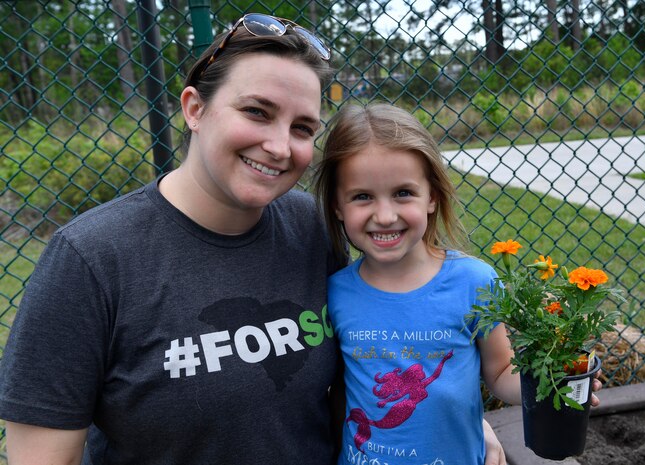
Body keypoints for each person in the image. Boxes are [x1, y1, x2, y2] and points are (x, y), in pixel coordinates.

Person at [0, 13, 508, 465]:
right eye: (257, 112)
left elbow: (375, 349)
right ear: (194, 108)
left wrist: (455, 424)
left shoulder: (312, 228)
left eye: (303, 127)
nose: (279, 145)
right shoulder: (90, 260)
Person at [313, 102, 602, 465]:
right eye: (362, 196)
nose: (385, 216)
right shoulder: (335, 292)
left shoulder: (474, 282)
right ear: (338, 206)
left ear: (432, 196)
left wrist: (554, 381)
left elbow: (499, 373)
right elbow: (341, 392)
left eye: (403, 192)